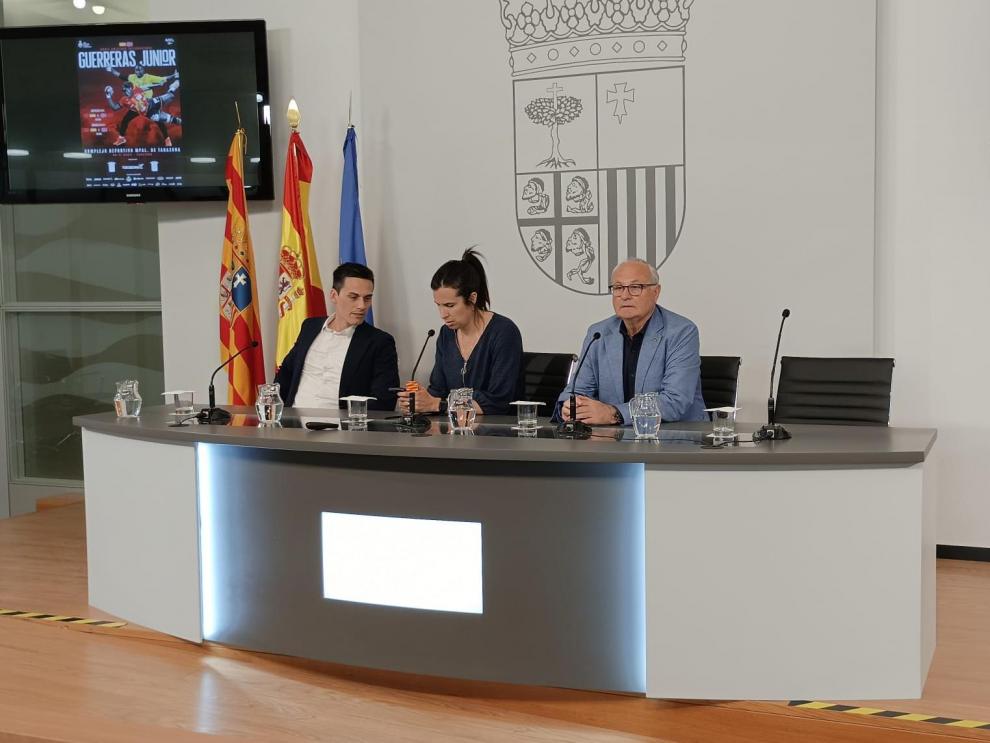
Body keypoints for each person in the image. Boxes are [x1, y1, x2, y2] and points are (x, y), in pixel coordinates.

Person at [557, 258, 707, 425]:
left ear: (656, 292)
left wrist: (614, 413)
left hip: (674, 439)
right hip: (613, 440)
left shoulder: (681, 332)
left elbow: (675, 400)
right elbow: (577, 390)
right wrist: (571, 406)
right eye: (618, 288)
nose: (625, 296)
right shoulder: (598, 333)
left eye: (635, 288)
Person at [398, 248, 523, 417]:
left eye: (450, 306)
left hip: (497, 434)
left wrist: (438, 404)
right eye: (438, 305)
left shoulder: (504, 332)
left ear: (472, 298)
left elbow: (497, 403)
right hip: (453, 432)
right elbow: (438, 391)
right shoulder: (446, 334)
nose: (443, 315)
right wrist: (419, 400)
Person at [274, 263, 399, 410]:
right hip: (294, 425)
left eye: (367, 298)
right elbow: (286, 373)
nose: (362, 306)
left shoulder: (380, 342)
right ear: (334, 295)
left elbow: (384, 400)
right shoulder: (310, 327)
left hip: (342, 428)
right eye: (353, 297)